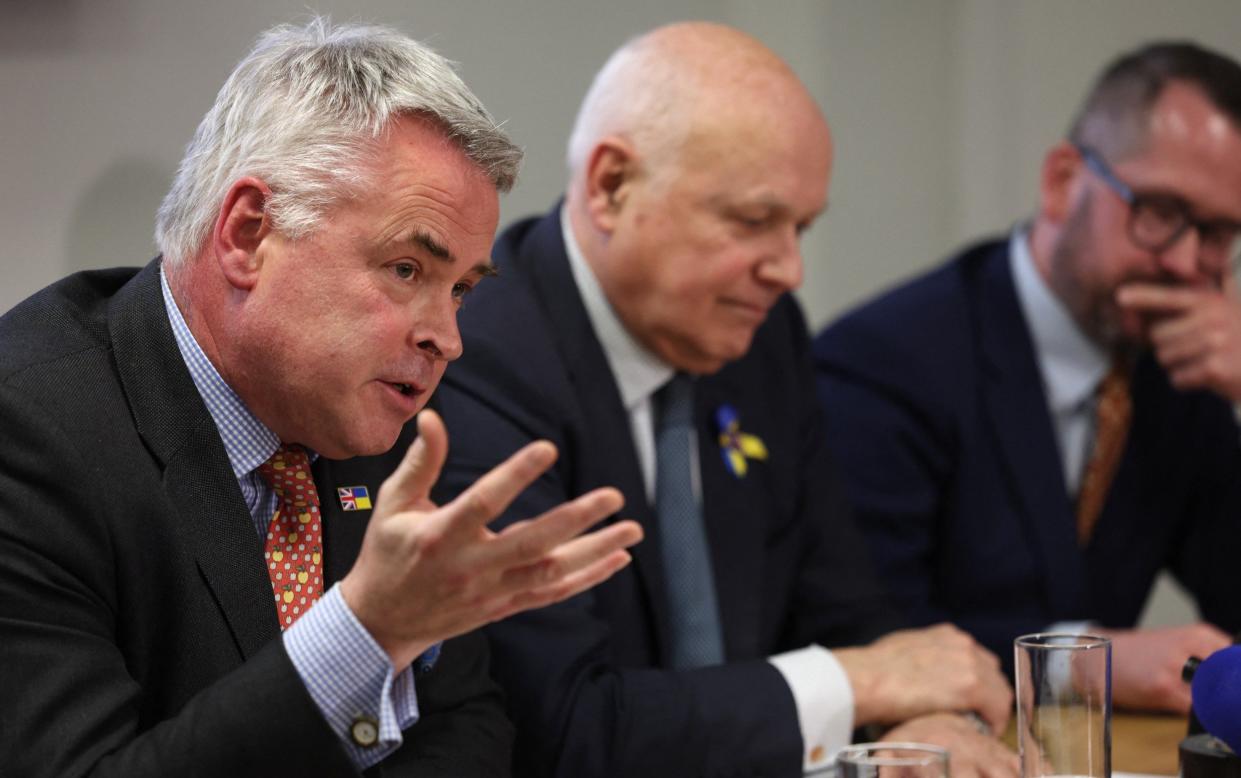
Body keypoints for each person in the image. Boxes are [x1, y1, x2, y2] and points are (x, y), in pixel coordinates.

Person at [0, 18, 643, 777]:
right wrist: (363, 632)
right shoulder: (28, 436)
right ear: (248, 234)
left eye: (461, 290)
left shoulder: (377, 418)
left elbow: (465, 724)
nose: (448, 338)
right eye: (407, 270)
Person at [433, 22, 1016, 778]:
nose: (789, 271)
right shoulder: (483, 359)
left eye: (800, 228)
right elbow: (566, 728)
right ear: (611, 185)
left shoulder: (760, 343)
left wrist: (925, 717)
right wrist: (860, 681)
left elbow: (847, 605)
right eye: (753, 221)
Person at [814, 41, 1241, 715]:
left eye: (1218, 234)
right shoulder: (887, 359)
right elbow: (865, 634)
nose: (1189, 265)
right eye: (1160, 212)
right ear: (1061, 181)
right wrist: (1083, 661)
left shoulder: (1183, 371)